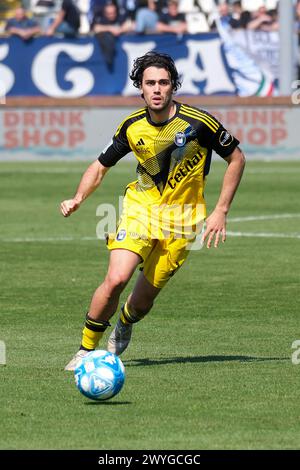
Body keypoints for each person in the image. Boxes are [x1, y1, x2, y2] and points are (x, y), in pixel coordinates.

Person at [61, 51, 246, 371]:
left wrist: (221, 210)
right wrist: (79, 197)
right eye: (150, 83)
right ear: (141, 88)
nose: (157, 89)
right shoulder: (132, 127)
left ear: (173, 86)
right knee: (117, 277)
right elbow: (100, 166)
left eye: (163, 82)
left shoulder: (199, 122)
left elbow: (237, 158)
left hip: (183, 222)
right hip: (140, 211)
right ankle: (85, 350)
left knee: (141, 302)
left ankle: (124, 323)